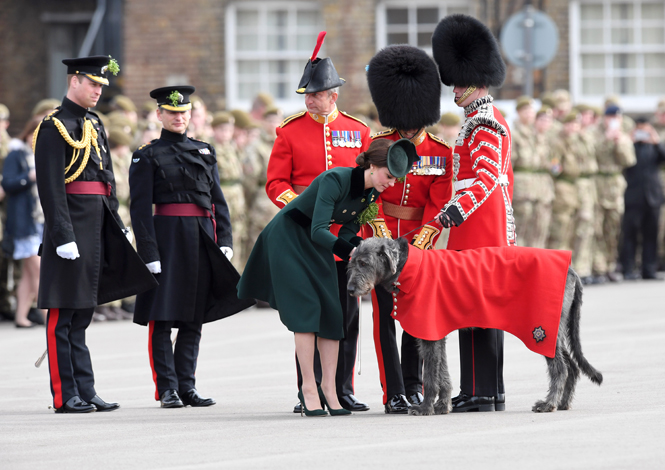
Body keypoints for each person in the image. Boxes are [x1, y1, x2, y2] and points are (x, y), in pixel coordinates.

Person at [239, 138, 418, 416]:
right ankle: (309, 388)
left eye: (396, 179)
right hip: (288, 239)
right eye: (389, 176)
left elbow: (345, 232)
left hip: (317, 244)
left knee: (333, 314)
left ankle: (330, 390)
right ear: (373, 166)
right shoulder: (336, 179)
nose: (392, 184)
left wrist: (360, 244)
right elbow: (319, 228)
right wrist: (354, 250)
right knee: (307, 312)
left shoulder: (370, 194)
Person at [33, 55, 157, 413]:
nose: (98, 91)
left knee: (83, 311)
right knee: (63, 314)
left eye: (102, 86)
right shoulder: (54, 125)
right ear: (74, 81)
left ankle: (85, 389)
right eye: (93, 84)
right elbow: (51, 186)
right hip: (70, 226)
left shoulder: (94, 123)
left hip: (97, 224)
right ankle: (64, 393)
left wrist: (116, 223)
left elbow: (106, 180)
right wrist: (61, 233)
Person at [265, 32, 371, 413]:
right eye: (306, 94)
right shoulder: (289, 131)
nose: (310, 99)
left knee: (346, 312)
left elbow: (364, 183)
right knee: (307, 313)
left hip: (343, 233)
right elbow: (275, 182)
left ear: (334, 95)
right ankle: (305, 391)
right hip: (303, 233)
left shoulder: (359, 132)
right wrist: (302, 208)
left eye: (317, 93)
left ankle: (342, 388)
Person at [129, 86, 254, 408]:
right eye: (171, 113)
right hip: (166, 239)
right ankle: (167, 388)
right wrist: (148, 252)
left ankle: (187, 385)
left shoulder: (204, 151)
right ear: (159, 114)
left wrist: (223, 240)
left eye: (183, 113)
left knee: (193, 317)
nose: (178, 118)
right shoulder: (147, 155)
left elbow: (218, 203)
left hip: (200, 239)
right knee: (162, 315)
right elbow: (140, 210)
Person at [432, 14, 514, 412]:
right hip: (475, 224)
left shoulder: (485, 123)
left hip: (480, 223)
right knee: (472, 306)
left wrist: (454, 211)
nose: (455, 90)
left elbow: (485, 179)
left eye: (460, 84)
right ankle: (482, 389)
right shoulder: (475, 120)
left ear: (478, 82)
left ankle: (484, 391)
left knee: (479, 305)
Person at [365, 44, 454, 413]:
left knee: (416, 317)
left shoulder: (440, 152)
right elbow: (370, 193)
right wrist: (382, 233)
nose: (407, 124)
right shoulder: (377, 146)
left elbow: (438, 202)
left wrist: (422, 239)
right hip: (382, 240)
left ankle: (416, 386)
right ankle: (394, 391)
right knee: (384, 317)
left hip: (419, 246)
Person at [2, 117, 44, 327]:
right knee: (39, 270)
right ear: (28, 134)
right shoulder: (17, 154)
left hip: (39, 220)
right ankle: (48, 316)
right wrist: (29, 177)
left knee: (29, 274)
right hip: (24, 222)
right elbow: (7, 183)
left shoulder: (44, 156)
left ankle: (21, 316)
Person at [592, 105, 636, 283]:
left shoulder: (623, 135)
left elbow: (629, 161)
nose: (613, 120)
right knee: (597, 227)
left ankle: (610, 264)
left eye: (616, 117)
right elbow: (591, 155)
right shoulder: (595, 133)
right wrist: (606, 140)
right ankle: (598, 266)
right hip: (598, 183)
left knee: (614, 227)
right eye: (610, 117)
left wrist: (619, 143)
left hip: (615, 184)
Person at [620, 117, 665, 280]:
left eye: (645, 129)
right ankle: (628, 269)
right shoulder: (629, 145)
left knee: (651, 235)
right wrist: (628, 140)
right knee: (630, 234)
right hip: (633, 196)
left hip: (653, 196)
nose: (642, 134)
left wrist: (656, 141)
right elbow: (622, 161)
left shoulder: (654, 145)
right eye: (639, 130)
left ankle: (649, 269)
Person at [511, 96, 555, 248]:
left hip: (542, 188)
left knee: (540, 227)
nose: (530, 114)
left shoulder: (540, 134)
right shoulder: (514, 134)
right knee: (522, 226)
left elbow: (552, 161)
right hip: (523, 188)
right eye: (526, 110)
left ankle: (536, 264)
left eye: (531, 110)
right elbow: (509, 164)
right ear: (519, 112)